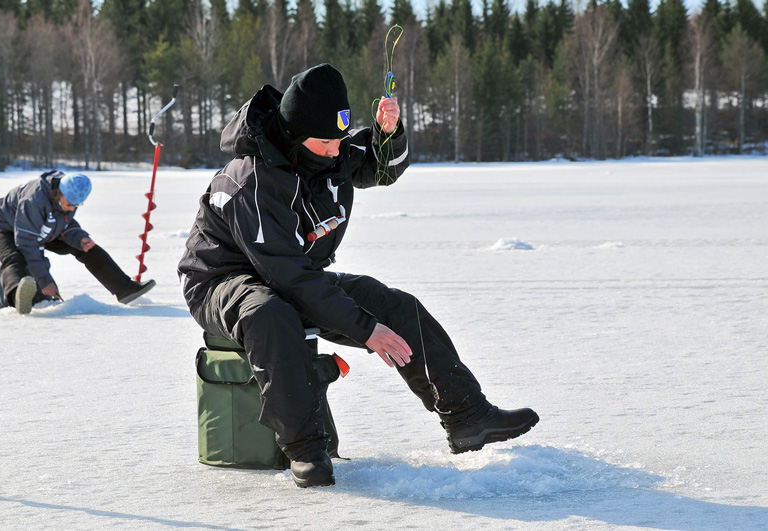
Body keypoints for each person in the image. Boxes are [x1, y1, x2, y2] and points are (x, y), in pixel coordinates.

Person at [178, 64, 538, 488]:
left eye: (339, 140)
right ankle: (306, 451)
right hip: (221, 281)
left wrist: (389, 133)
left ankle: (468, 418)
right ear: (295, 134)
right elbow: (287, 277)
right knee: (271, 314)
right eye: (326, 142)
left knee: (393, 305)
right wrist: (367, 331)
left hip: (293, 272)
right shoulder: (251, 181)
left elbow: (381, 169)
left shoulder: (326, 153)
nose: (336, 151)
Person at [0, 170, 156, 314]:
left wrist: (80, 238)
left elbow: (65, 225)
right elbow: (26, 242)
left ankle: (125, 288)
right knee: (14, 257)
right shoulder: (34, 201)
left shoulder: (65, 198)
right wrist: (45, 281)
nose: (71, 209)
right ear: (59, 193)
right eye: (69, 204)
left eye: (76, 206)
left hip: (44, 230)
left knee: (88, 248)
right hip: (5, 229)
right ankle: (19, 296)